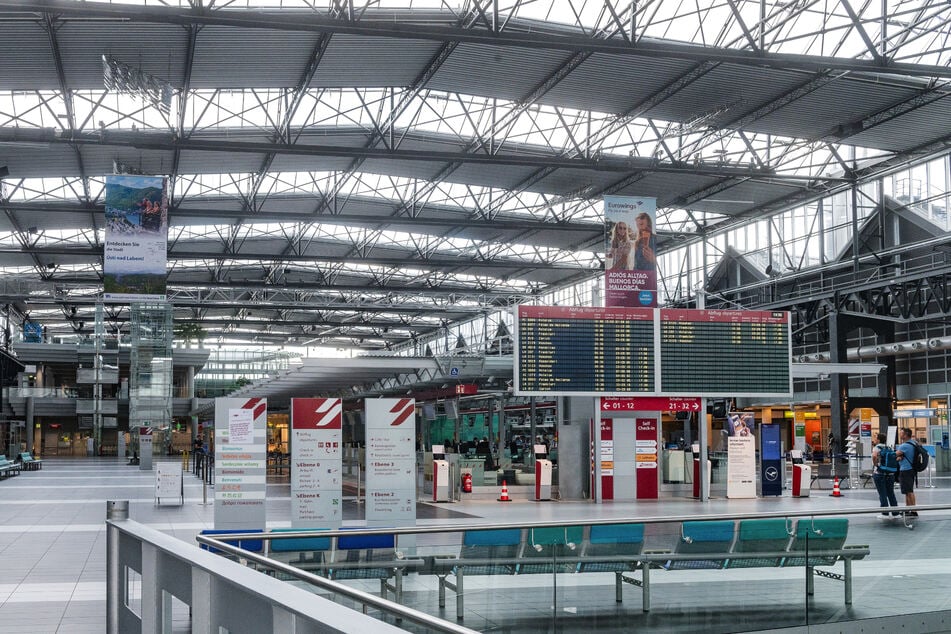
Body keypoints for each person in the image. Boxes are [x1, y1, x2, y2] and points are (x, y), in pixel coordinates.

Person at [871, 432, 899, 517]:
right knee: (891, 493)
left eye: (875, 438)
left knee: (882, 493)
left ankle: (885, 513)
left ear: (878, 439)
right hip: (890, 473)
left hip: (879, 473)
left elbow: (874, 456)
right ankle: (895, 512)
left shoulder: (876, 448)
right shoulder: (889, 447)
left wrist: (876, 464)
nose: (874, 439)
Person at [895, 427, 918, 517]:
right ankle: (908, 509)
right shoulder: (913, 443)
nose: (900, 435)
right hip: (911, 469)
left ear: (905, 435)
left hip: (905, 470)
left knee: (909, 491)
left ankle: (913, 510)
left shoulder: (904, 446)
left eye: (901, 433)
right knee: (907, 491)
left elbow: (894, 454)